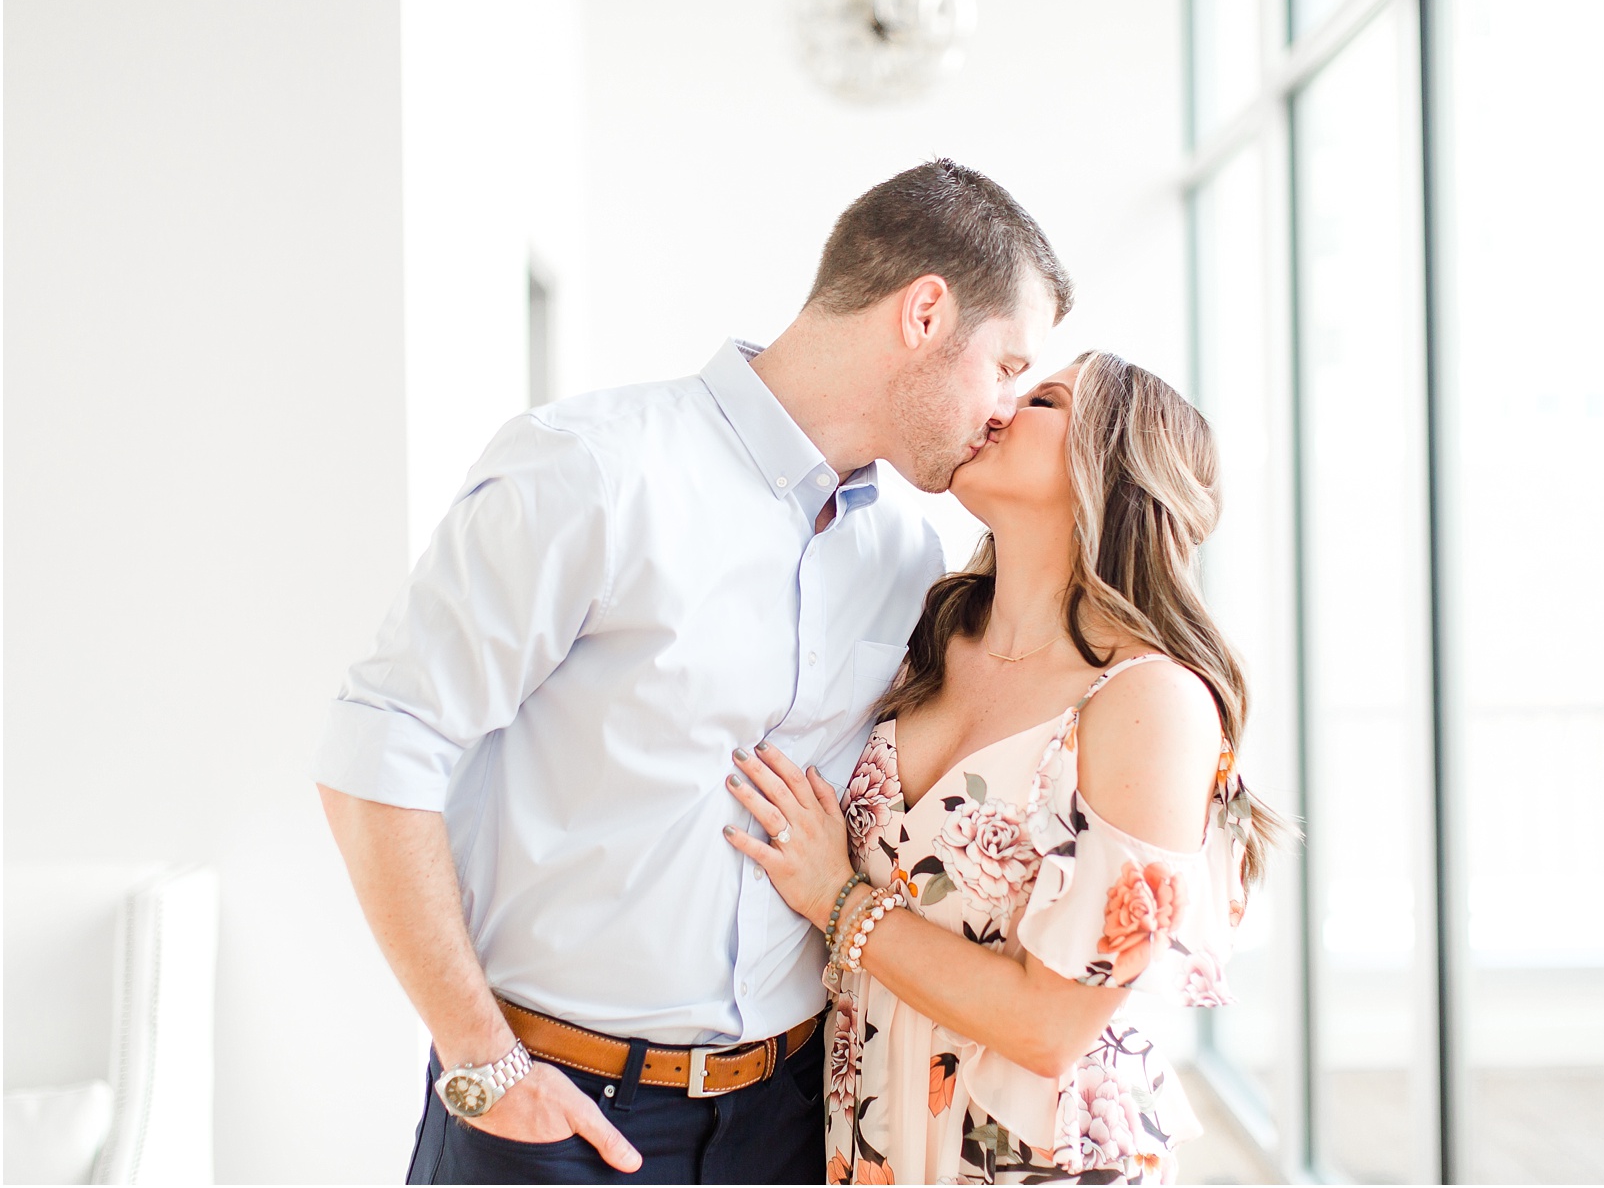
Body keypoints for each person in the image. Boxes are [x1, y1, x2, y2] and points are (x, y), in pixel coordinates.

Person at [311, 159, 1073, 1184]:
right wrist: (481, 1057)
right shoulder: (593, 470)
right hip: (555, 1112)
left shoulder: (905, 556)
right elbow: (379, 740)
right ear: (925, 312)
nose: (1005, 409)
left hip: (789, 1119)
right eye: (1009, 364)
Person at [723, 351, 1293, 1184]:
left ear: (1116, 466)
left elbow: (1050, 1025)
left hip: (1027, 1160)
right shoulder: (929, 638)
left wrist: (835, 897)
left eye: (1045, 400)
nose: (999, 408)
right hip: (866, 1136)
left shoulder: (1151, 703)